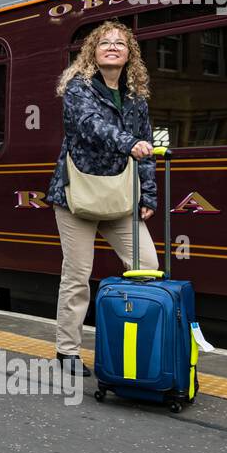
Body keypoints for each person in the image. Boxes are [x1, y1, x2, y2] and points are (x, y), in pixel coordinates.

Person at [46, 21, 159, 377]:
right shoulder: (78, 89)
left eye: (120, 44)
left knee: (147, 267)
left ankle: (136, 343)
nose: (112, 47)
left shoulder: (135, 98)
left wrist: (149, 193)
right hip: (77, 195)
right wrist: (128, 143)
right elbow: (90, 124)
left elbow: (148, 149)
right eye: (105, 42)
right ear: (93, 52)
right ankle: (67, 352)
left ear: (129, 54)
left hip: (120, 196)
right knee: (78, 275)